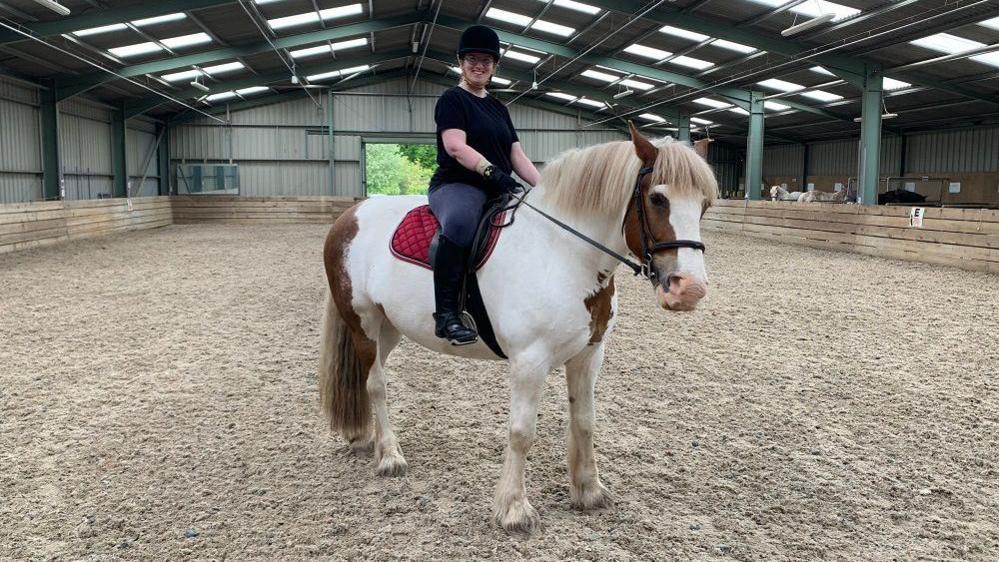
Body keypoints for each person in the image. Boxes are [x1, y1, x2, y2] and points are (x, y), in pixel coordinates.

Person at [428, 24, 541, 346]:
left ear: (495, 66)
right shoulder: (452, 99)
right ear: (461, 62)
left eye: (486, 61)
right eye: (472, 59)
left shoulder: (497, 106)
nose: (479, 65)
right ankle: (447, 315)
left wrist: (546, 188)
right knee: (461, 224)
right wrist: (492, 173)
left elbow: (516, 154)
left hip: (498, 186)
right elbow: (454, 146)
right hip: (458, 184)